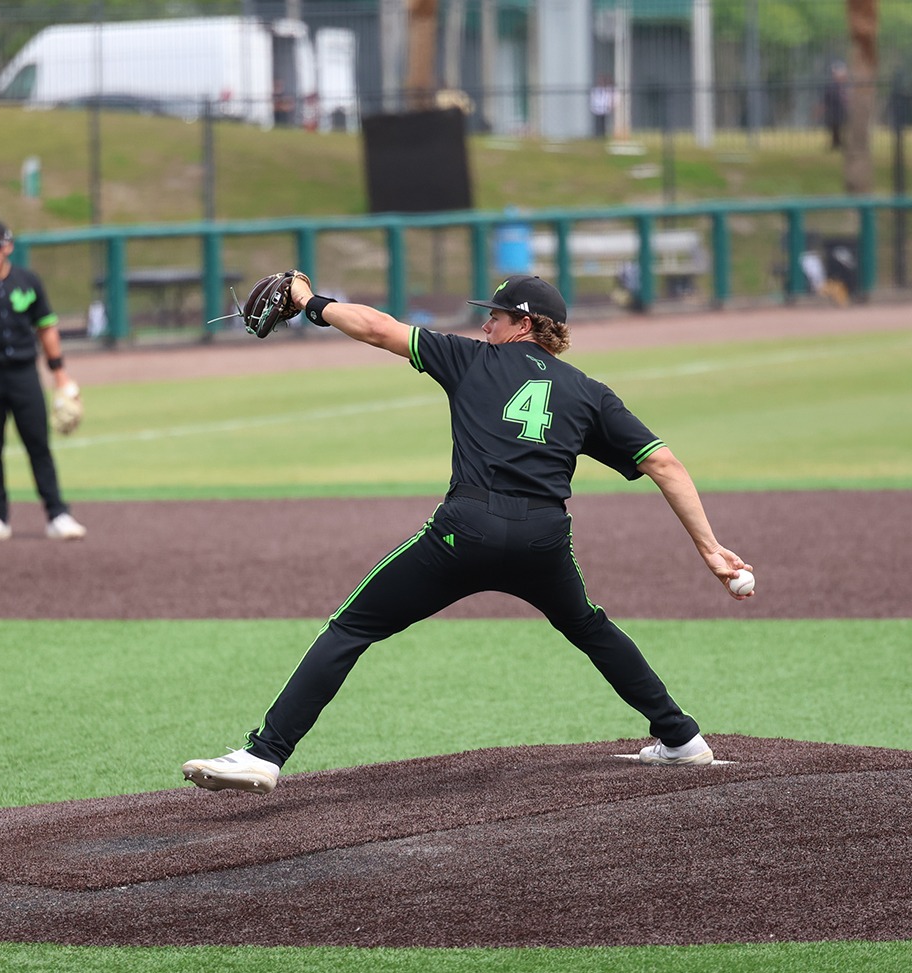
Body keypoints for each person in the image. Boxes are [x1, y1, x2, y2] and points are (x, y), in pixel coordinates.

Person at [181, 274, 753, 795]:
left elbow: (379, 329)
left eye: (496, 317)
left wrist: (310, 303)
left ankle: (264, 754)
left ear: (524, 325)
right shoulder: (587, 393)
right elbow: (665, 464)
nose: (485, 325)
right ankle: (682, 739)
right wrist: (709, 549)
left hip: (467, 530)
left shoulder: (471, 360)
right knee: (587, 627)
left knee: (352, 626)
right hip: (543, 540)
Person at [0, 219, 87, 542]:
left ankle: (58, 514)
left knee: (38, 444)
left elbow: (46, 328)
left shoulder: (28, 281)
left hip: (24, 373)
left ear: (9, 247)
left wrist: (60, 375)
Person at [822, 62, 849, 151]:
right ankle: (836, 143)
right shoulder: (831, 87)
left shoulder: (844, 87)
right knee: (835, 128)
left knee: (842, 129)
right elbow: (826, 101)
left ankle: (839, 143)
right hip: (834, 112)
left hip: (842, 112)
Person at [590, 75, 615, 140]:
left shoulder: (607, 90)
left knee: (604, 123)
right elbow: (594, 99)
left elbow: (607, 99)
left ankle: (603, 135)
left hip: (604, 109)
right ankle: (597, 135)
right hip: (597, 109)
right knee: (598, 123)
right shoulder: (596, 90)